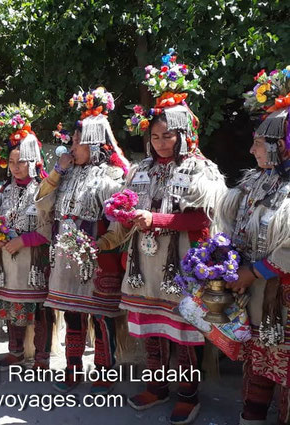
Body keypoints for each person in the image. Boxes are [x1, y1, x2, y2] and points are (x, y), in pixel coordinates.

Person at [101, 50, 226, 424]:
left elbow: (202, 219)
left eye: (167, 135)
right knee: (151, 327)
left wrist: (154, 217)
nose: (160, 142)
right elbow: (128, 210)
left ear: (184, 133)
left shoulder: (201, 169)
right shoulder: (140, 170)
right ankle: (157, 386)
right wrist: (120, 218)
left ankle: (188, 393)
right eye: (154, 136)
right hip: (145, 263)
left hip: (182, 264)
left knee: (182, 330)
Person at [36, 86, 129, 393]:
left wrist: (101, 244)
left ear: (94, 144)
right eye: (72, 141)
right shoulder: (67, 174)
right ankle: (73, 366)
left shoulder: (110, 178)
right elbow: (43, 205)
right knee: (72, 314)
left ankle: (104, 370)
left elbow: (120, 224)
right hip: (65, 257)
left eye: (78, 142)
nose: (71, 146)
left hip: (98, 257)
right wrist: (56, 173)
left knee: (101, 318)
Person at [216, 66, 290, 425]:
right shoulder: (255, 183)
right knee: (257, 359)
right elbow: (233, 225)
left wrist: (253, 272)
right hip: (255, 295)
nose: (251, 149)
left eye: (259, 142)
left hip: (281, 296)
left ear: (281, 145)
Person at [0, 103, 54, 370]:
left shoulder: (43, 190)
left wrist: (24, 240)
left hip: (34, 260)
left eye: (22, 162)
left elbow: (50, 228)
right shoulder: (3, 190)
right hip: (9, 259)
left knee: (39, 309)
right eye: (12, 162)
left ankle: (41, 356)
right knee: (11, 304)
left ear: (34, 161)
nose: (16, 167)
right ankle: (15, 351)